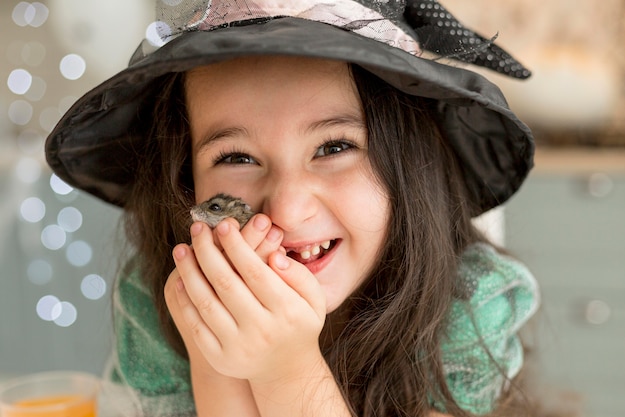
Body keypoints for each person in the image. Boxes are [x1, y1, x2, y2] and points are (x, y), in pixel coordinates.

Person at [45, 1, 539, 416]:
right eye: (236, 158)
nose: (287, 207)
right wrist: (214, 355)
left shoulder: (469, 305)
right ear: (184, 179)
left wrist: (284, 368)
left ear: (409, 162)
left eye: (333, 147)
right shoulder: (162, 300)